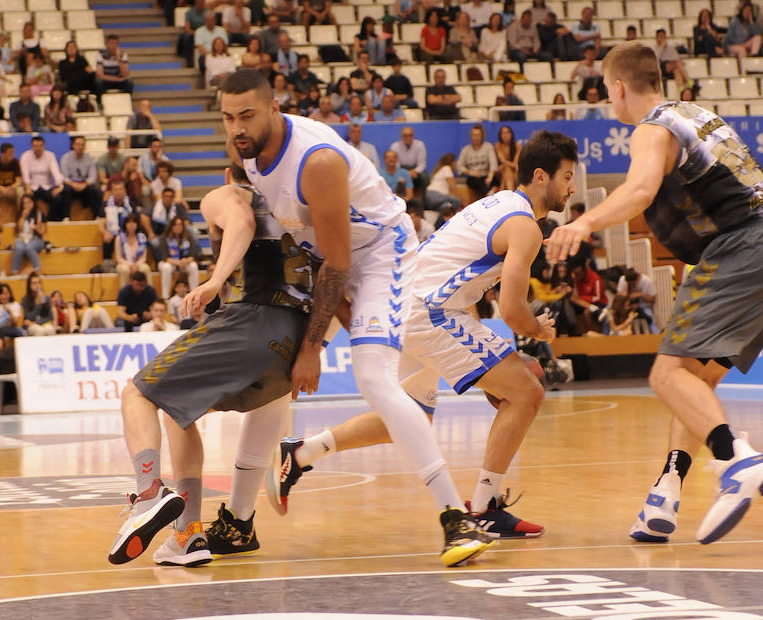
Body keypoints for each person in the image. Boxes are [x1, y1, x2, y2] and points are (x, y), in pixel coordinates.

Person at [181, 69, 493, 567]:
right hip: (317, 255)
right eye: (228, 117)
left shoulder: (317, 160)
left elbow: (342, 262)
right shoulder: (243, 148)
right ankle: (238, 522)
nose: (236, 127)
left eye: (246, 116)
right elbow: (275, 222)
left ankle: (455, 516)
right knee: (273, 375)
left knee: (373, 378)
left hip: (377, 255)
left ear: (273, 107)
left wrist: (312, 348)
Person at [546, 42, 763, 546]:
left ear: (619, 88)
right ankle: (664, 494)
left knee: (665, 374)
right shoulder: (699, 114)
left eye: (607, 92)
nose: (609, 102)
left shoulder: (654, 125)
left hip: (745, 247)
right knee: (693, 381)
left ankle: (736, 460)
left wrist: (582, 224)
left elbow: (641, 190)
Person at [281, 129, 577, 539]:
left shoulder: (495, 204)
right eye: (567, 176)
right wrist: (538, 330)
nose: (572, 186)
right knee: (527, 391)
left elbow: (459, 275)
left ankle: (300, 453)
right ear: (542, 176)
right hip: (430, 312)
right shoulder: (525, 225)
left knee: (409, 417)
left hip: (409, 304)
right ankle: (485, 507)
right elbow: (511, 311)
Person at [108, 165, 318, 567]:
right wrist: (313, 347)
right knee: (177, 409)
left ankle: (149, 492)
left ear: (228, 174)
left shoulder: (226, 194)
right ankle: (189, 536)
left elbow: (240, 220)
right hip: (292, 342)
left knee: (137, 394)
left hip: (250, 321)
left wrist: (212, 281)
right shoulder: (301, 206)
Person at [158, 215, 202, 300]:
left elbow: (193, 255)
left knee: (193, 266)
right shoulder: (164, 237)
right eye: (175, 225)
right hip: (170, 263)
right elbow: (165, 257)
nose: (178, 227)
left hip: (184, 263)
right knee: (166, 267)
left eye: (180, 225)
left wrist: (186, 261)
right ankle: (165, 297)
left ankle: (194, 294)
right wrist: (178, 262)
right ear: (171, 226)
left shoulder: (188, 236)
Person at [20, 136, 65, 220]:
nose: (38, 148)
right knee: (26, 198)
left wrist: (60, 186)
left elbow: (56, 172)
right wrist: (27, 187)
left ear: (43, 146)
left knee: (58, 197)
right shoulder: (25, 156)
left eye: (40, 146)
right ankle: (28, 220)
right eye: (35, 146)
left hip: (46, 187)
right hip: (31, 187)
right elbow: (25, 174)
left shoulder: (50, 155)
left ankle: (51, 220)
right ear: (32, 146)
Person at [60, 136, 101, 217]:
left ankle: (97, 216)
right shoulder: (66, 158)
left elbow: (93, 177)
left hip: (84, 184)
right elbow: (64, 177)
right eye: (78, 144)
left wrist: (84, 185)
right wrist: (73, 184)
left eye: (82, 144)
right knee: (66, 190)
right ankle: (66, 217)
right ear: (73, 145)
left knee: (94, 191)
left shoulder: (89, 158)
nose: (80, 147)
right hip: (71, 184)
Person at [98, 178, 135, 262]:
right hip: (113, 233)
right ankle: (107, 263)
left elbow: (135, 222)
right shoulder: (105, 205)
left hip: (128, 233)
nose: (118, 192)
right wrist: (105, 232)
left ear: (125, 190)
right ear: (112, 192)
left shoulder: (131, 205)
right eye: (115, 190)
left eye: (120, 189)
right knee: (107, 238)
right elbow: (101, 223)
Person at [457, 124, 497, 198]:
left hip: (486, 175)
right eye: (474, 135)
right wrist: (469, 172)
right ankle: (490, 194)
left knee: (495, 179)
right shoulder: (466, 149)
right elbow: (459, 166)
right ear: (471, 136)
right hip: (474, 177)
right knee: (472, 180)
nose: (476, 138)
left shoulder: (488, 146)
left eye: (478, 135)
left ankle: (491, 193)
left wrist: (490, 177)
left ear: (482, 136)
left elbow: (493, 163)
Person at [116, 212, 153, 288]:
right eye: (129, 223)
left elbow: (143, 257)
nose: (131, 225)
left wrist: (136, 265)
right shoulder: (119, 238)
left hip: (138, 263)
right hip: (124, 263)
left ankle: (149, 294)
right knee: (124, 270)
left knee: (146, 268)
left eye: (134, 223)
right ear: (125, 224)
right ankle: (124, 296)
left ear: (137, 224)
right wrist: (130, 265)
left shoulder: (142, 238)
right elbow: (119, 258)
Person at [390, 127, 428, 195]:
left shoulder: (420, 145)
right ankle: (398, 199)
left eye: (410, 135)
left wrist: (414, 171)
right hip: (400, 169)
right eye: (405, 135)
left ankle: (425, 201)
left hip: (415, 170)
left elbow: (422, 164)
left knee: (425, 177)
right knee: (394, 176)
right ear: (401, 136)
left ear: (413, 136)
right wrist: (406, 173)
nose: (408, 137)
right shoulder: (395, 146)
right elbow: (396, 164)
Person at [21, 272, 56, 336]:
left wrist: (37, 322)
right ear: (29, 285)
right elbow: (28, 317)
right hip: (31, 326)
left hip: (43, 323)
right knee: (39, 330)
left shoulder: (46, 298)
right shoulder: (25, 299)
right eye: (34, 283)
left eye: (39, 282)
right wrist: (38, 304)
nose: (37, 285)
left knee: (50, 329)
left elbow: (50, 317)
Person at [178, 0, 207, 67]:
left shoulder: (207, 12)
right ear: (195, 2)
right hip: (193, 31)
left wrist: (201, 33)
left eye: (202, 2)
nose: (200, 4)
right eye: (199, 2)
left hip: (204, 31)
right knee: (187, 37)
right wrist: (196, 34)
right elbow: (187, 28)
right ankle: (189, 60)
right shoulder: (189, 12)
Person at [495, 125, 521, 191]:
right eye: (503, 133)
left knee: (508, 170)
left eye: (507, 132)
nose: (505, 135)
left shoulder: (517, 145)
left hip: (512, 171)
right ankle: (511, 193)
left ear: (511, 134)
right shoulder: (498, 145)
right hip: (500, 171)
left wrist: (514, 166)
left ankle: (503, 191)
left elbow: (516, 161)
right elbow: (503, 160)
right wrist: (513, 166)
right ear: (500, 135)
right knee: (506, 168)